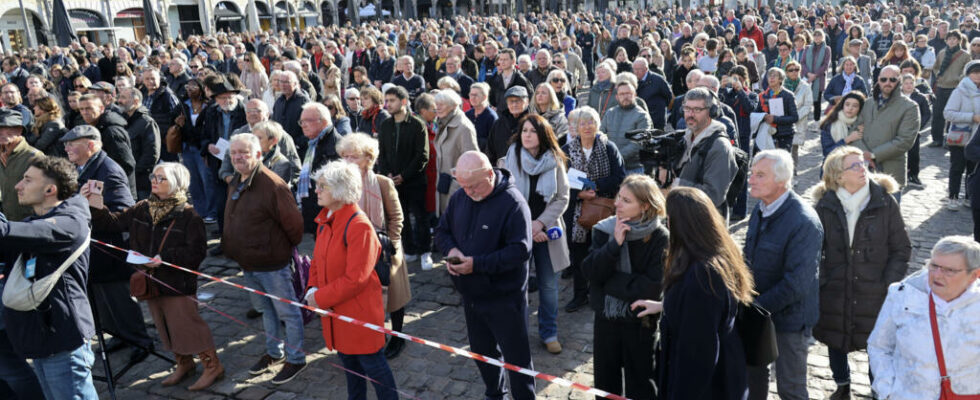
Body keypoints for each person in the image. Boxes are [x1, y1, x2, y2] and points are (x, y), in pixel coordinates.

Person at [85, 162, 224, 391]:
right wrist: (96, 205)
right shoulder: (142, 207)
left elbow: (197, 253)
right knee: (164, 325)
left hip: (176, 282)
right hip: (150, 281)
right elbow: (112, 223)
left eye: (162, 178)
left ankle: (212, 367)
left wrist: (165, 257)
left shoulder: (189, 215)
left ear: (177, 184)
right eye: (154, 176)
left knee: (188, 326)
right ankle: (184, 363)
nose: (154, 181)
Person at [631, 186, 754, 400]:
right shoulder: (712, 255)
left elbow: (699, 354)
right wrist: (665, 305)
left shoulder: (703, 275)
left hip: (708, 387)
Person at [810, 146, 911, 399]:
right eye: (854, 166)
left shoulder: (885, 202)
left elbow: (901, 248)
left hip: (875, 289)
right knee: (835, 338)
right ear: (838, 176)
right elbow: (813, 248)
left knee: (877, 346)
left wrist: (888, 283)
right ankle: (842, 385)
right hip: (835, 288)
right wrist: (823, 280)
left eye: (862, 164)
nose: (862, 169)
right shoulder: (826, 205)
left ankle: (877, 389)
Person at [434, 151, 535, 400]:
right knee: (481, 351)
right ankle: (495, 394)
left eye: (474, 186)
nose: (468, 191)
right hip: (471, 295)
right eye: (464, 185)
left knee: (517, 359)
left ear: (490, 174)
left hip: (504, 298)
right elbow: (442, 231)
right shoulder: (461, 196)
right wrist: (452, 250)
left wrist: (477, 265)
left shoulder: (513, 204)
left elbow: (520, 250)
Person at [0, 157, 98, 400]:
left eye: (27, 180)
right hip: (42, 338)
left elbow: (10, 233)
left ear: (50, 189)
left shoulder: (69, 223)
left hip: (63, 339)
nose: (18, 186)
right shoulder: (36, 221)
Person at [304, 160, 399, 400]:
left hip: (359, 315)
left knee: (375, 369)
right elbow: (316, 261)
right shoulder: (326, 220)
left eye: (322, 186)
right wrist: (312, 288)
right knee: (351, 371)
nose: (317, 190)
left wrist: (319, 298)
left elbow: (356, 279)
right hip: (337, 313)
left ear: (339, 190)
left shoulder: (359, 226)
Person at [62, 124, 155, 362]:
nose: (67, 147)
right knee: (103, 300)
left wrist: (94, 209)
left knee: (120, 299)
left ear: (91, 145)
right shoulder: (83, 167)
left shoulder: (108, 170)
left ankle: (139, 341)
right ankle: (119, 335)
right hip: (93, 247)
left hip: (109, 246)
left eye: (73, 143)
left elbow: (123, 211)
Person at [222, 133, 307, 384]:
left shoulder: (272, 184)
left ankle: (296, 359)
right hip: (249, 263)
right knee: (267, 311)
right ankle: (274, 353)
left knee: (288, 313)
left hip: (272, 263)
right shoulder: (236, 179)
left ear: (258, 155)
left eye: (244, 153)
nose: (238, 157)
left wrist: (277, 250)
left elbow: (295, 227)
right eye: (234, 153)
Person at [744, 149, 823, 400]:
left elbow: (796, 284)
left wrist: (755, 307)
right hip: (758, 313)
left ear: (781, 180)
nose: (751, 179)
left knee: (791, 389)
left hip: (790, 321)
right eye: (752, 173)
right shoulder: (760, 208)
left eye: (760, 175)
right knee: (753, 382)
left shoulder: (803, 221)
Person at [581, 174, 667, 399]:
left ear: (645, 206)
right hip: (606, 320)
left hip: (640, 321)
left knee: (641, 383)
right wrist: (613, 246)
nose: (617, 203)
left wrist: (608, 281)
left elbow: (652, 287)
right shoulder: (604, 230)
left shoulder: (660, 237)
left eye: (626, 200)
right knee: (605, 384)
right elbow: (590, 272)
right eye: (619, 197)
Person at [867, 236, 980, 399]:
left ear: (974, 275)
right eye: (934, 266)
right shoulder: (902, 294)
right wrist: (887, 390)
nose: (937, 275)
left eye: (949, 270)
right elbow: (879, 346)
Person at [336, 133, 413, 360]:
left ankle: (397, 336)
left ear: (368, 158)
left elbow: (397, 216)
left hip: (384, 249)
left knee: (395, 298)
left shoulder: (381, 182)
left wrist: (389, 242)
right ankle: (370, 334)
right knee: (362, 297)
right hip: (353, 250)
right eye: (345, 156)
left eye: (355, 157)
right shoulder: (340, 184)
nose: (349, 161)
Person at [504, 114, 570, 354]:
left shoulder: (555, 159)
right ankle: (516, 333)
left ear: (542, 135)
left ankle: (549, 332)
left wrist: (540, 224)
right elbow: (507, 195)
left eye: (532, 131)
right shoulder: (512, 156)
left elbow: (563, 197)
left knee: (549, 286)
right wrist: (527, 227)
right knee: (516, 286)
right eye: (524, 131)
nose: (527, 135)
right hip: (518, 232)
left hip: (547, 232)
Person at [562, 107, 626, 312]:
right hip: (576, 212)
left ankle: (600, 293)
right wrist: (579, 195)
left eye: (591, 122)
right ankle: (580, 294)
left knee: (603, 253)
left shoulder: (609, 148)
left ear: (598, 125)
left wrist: (595, 187)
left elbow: (619, 177)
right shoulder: (566, 150)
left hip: (603, 210)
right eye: (583, 123)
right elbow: (559, 184)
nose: (587, 127)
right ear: (576, 127)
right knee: (579, 255)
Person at [377, 86, 432, 270]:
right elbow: (382, 154)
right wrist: (388, 175)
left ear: (403, 102)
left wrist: (404, 175)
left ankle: (426, 251)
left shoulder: (417, 124)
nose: (388, 104)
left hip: (414, 181)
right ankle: (409, 250)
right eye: (387, 101)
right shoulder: (385, 125)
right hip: (393, 182)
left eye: (392, 100)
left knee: (420, 216)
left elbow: (422, 155)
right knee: (401, 218)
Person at [662, 88, 738, 218]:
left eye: (697, 110)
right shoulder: (685, 138)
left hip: (705, 225)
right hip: (682, 217)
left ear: (712, 112)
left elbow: (714, 196)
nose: (690, 114)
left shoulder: (719, 147)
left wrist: (675, 184)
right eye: (687, 108)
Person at [854, 65, 919, 194]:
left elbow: (905, 141)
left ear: (899, 80)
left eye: (892, 79)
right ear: (878, 80)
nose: (887, 83)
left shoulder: (910, 107)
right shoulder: (868, 103)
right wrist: (864, 154)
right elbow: (854, 130)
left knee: (889, 213)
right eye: (884, 79)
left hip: (891, 172)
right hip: (863, 170)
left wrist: (873, 155)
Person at [78, 94, 137, 196]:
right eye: (81, 109)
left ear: (101, 108)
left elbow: (126, 164)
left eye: (88, 108)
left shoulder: (111, 132)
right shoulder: (95, 128)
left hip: (116, 193)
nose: (84, 112)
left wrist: (108, 185)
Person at [296, 102, 342, 233]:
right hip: (315, 209)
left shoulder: (337, 146)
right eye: (301, 121)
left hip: (329, 211)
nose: (303, 125)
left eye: (308, 121)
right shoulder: (311, 143)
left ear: (324, 121)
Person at [433, 90, 479, 215]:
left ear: (453, 105)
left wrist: (458, 185)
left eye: (442, 104)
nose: (437, 107)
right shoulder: (443, 122)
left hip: (458, 190)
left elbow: (473, 162)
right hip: (444, 186)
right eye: (436, 104)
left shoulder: (463, 127)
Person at [942, 60, 980, 211]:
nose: (978, 75)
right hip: (960, 137)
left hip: (977, 139)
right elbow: (948, 113)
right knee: (957, 168)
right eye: (974, 72)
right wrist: (971, 117)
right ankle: (953, 197)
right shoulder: (960, 91)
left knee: (973, 170)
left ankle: (969, 196)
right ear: (968, 74)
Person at [117, 86, 161, 200]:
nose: (119, 101)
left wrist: (135, 171)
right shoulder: (123, 120)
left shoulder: (147, 122)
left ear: (136, 101)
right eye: (119, 97)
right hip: (126, 178)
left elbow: (152, 153)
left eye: (123, 97)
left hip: (141, 181)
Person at [0, 109, 44, 222]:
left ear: (19, 130)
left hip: (29, 222)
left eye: (5, 128)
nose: (1, 132)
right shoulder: (2, 154)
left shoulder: (35, 157)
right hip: (7, 222)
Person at [600, 80, 652, 175]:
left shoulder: (642, 116)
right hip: (611, 167)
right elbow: (600, 134)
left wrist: (616, 156)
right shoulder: (610, 113)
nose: (625, 97)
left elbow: (639, 143)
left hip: (633, 168)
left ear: (635, 95)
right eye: (622, 94)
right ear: (617, 97)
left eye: (628, 93)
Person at [932, 30, 969, 148]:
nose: (952, 41)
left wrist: (958, 78)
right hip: (941, 87)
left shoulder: (965, 55)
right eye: (949, 39)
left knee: (953, 116)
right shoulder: (942, 53)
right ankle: (937, 139)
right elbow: (936, 67)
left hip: (956, 88)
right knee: (937, 114)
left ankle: (950, 139)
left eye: (954, 39)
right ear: (946, 40)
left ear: (959, 40)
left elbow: (967, 71)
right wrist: (939, 75)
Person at [756, 67, 799, 151]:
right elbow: (757, 113)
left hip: (784, 134)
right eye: (769, 76)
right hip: (767, 133)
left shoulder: (788, 95)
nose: (771, 78)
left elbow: (794, 117)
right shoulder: (762, 96)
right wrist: (764, 117)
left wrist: (775, 119)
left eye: (774, 76)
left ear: (780, 79)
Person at [487, 86, 531, 165]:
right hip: (502, 172)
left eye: (518, 101)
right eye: (511, 101)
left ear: (527, 101)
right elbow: (490, 152)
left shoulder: (534, 123)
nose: (514, 104)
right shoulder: (498, 124)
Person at [272, 70, 312, 152]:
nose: (283, 85)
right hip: (279, 148)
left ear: (295, 83)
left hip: (298, 149)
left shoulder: (303, 101)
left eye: (287, 82)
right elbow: (274, 123)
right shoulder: (279, 101)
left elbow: (310, 127)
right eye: (281, 82)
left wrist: (296, 143)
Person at [784, 61, 813, 167]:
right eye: (791, 70)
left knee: (793, 150)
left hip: (798, 121)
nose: (794, 72)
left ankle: (794, 173)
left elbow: (808, 105)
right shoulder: (781, 86)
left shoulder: (805, 87)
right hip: (783, 121)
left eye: (796, 70)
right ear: (786, 72)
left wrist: (795, 116)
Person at [820, 92, 866, 158]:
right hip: (833, 164)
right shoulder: (830, 124)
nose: (850, 108)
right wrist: (846, 140)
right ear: (842, 105)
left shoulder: (864, 124)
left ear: (860, 108)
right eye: (847, 104)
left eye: (855, 106)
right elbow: (827, 152)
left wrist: (864, 134)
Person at [466, 82, 498, 152]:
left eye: (476, 95)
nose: (473, 98)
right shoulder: (467, 115)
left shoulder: (491, 117)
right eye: (471, 95)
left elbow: (493, 143)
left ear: (485, 97)